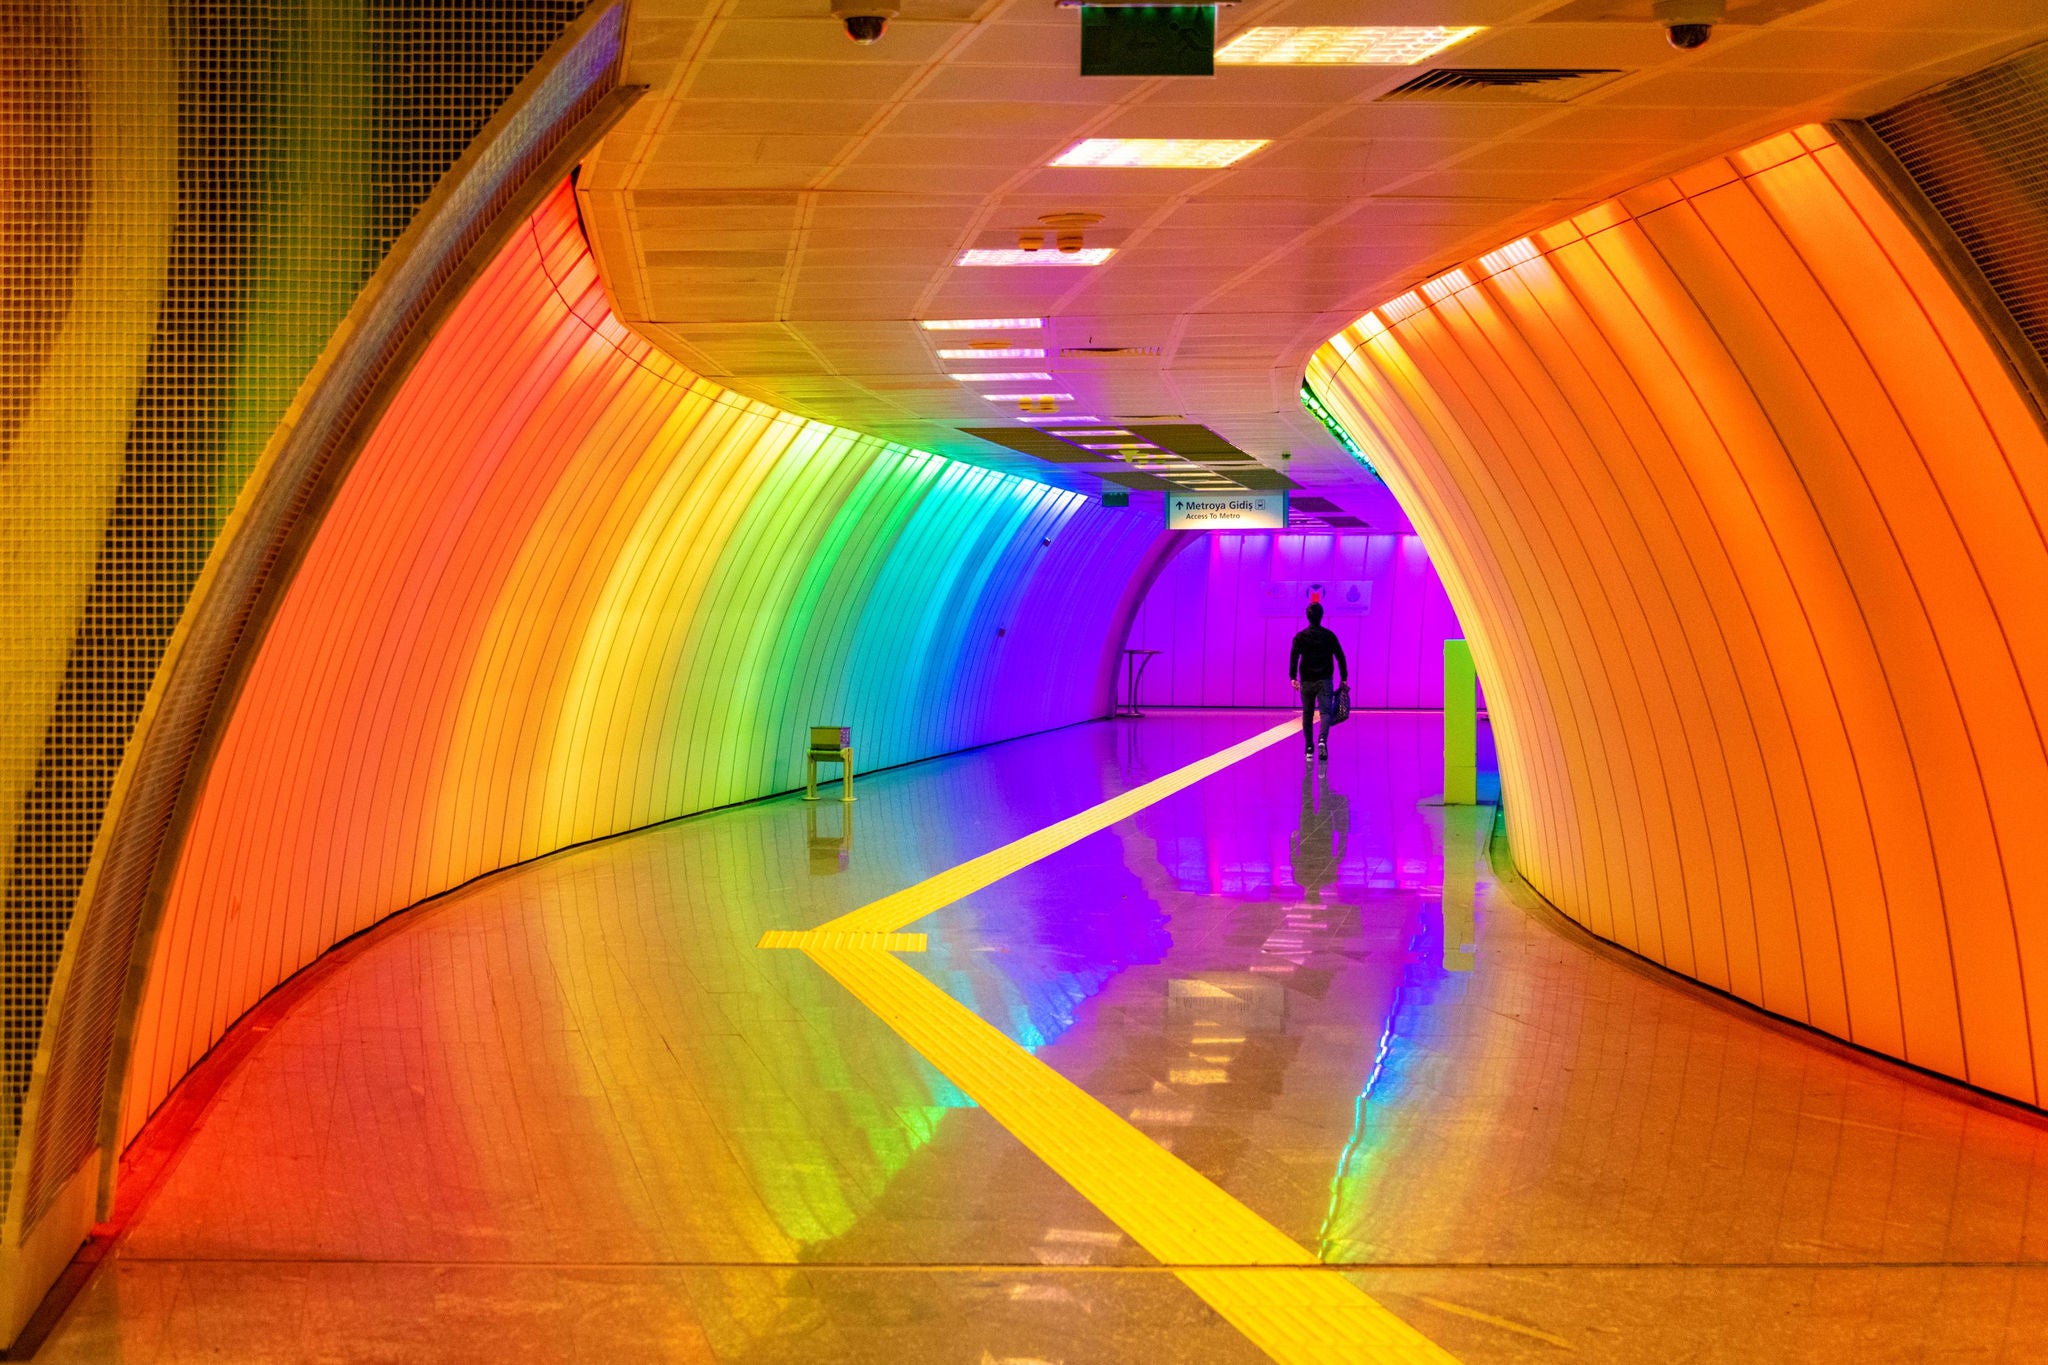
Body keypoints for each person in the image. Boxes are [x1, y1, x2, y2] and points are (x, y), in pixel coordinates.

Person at [1289, 600, 1348, 763]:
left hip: (1307, 681)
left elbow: (1294, 656)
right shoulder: (1329, 636)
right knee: (1325, 713)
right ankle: (1322, 740)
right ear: (1321, 616)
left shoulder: (1300, 637)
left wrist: (1293, 677)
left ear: (1308, 617)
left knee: (1307, 714)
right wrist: (1344, 677)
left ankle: (1309, 748)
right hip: (1325, 680)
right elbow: (1340, 656)